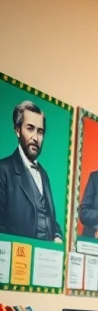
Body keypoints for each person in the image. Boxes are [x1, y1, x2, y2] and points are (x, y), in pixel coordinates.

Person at [0, 100, 63, 242]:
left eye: (40, 132)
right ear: (18, 130)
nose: (35, 138)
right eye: (30, 128)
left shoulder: (44, 174)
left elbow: (50, 219)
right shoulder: (3, 170)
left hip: (46, 254)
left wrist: (57, 236)